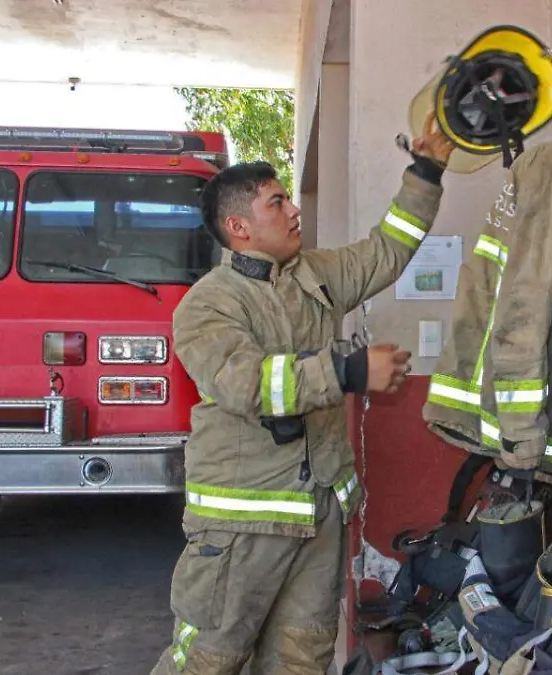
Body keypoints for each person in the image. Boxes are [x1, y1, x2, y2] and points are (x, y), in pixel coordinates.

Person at [150, 116, 455, 675]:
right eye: (277, 202)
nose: (294, 211)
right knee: (208, 662)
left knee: (301, 661)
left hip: (317, 519)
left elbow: (387, 251)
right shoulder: (207, 304)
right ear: (239, 226)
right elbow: (245, 383)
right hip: (242, 530)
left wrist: (426, 170)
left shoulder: (313, 274)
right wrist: (348, 370)